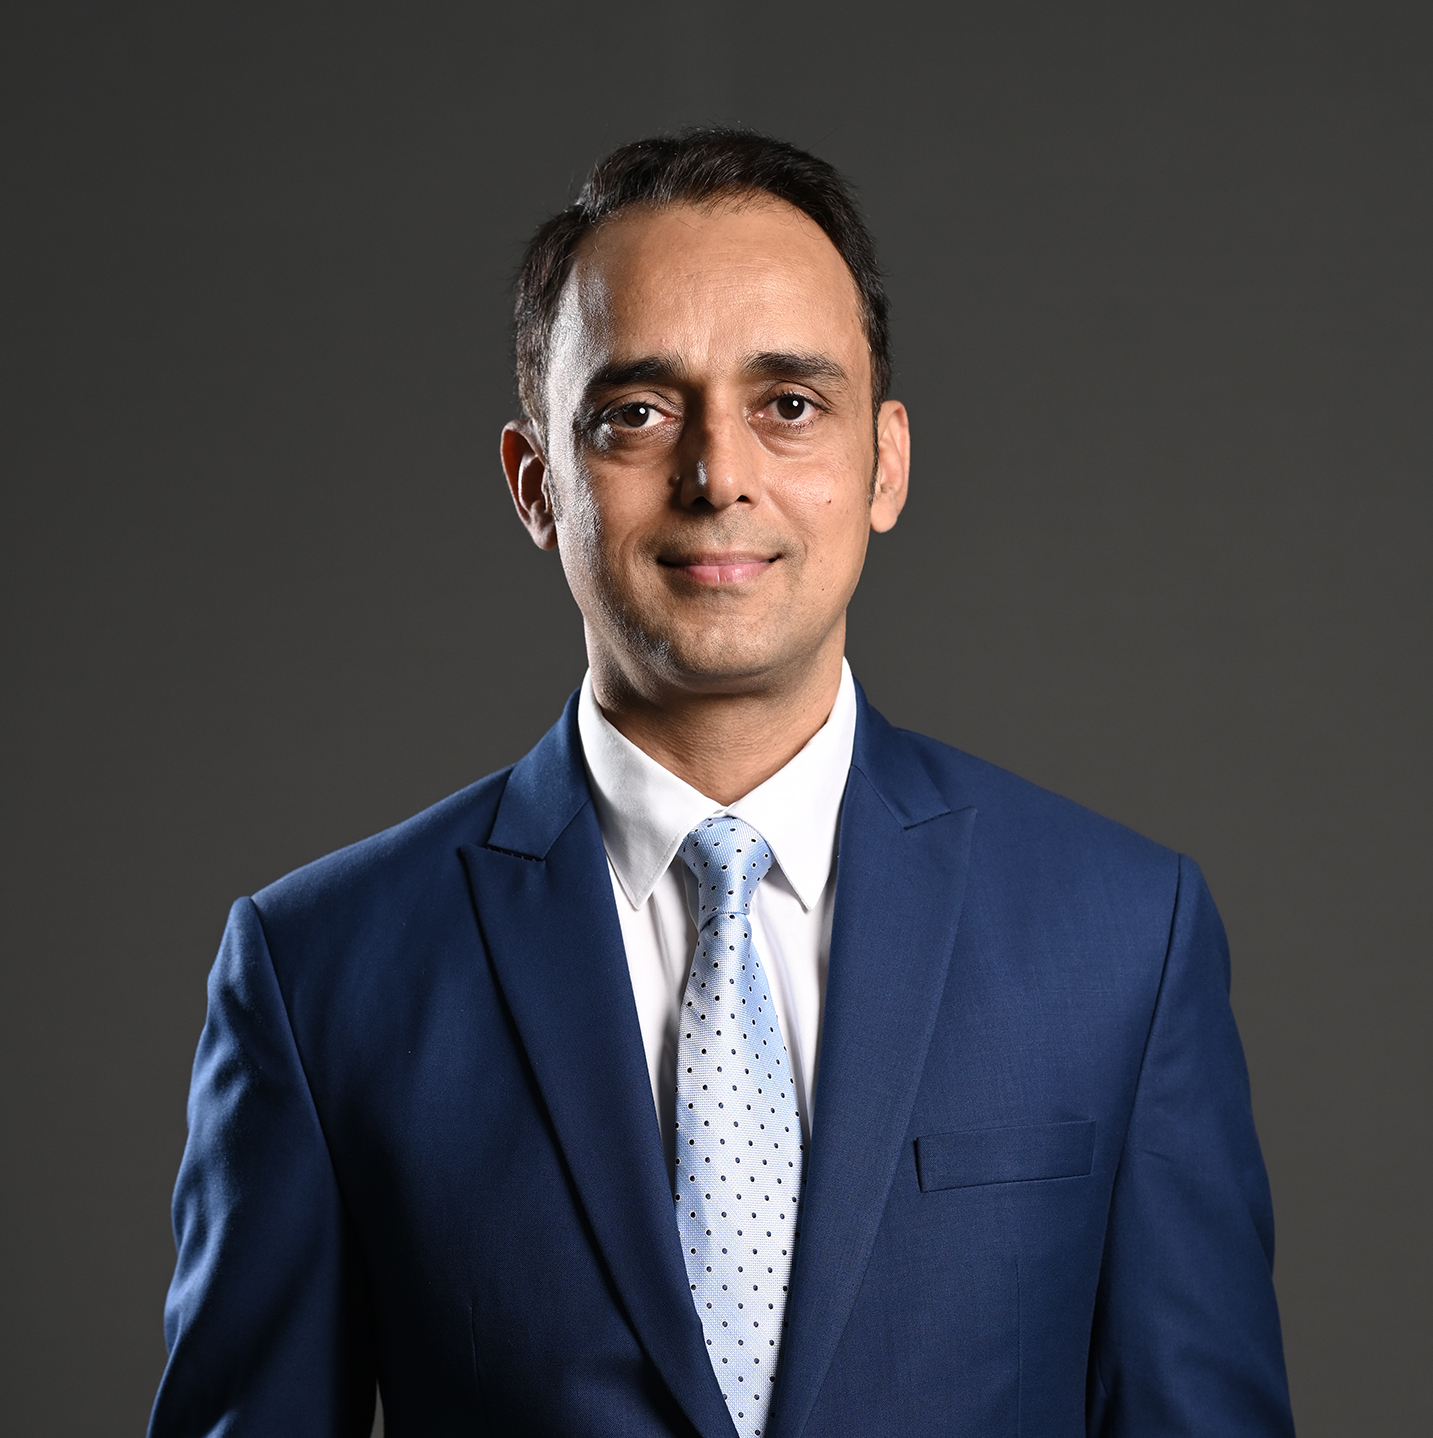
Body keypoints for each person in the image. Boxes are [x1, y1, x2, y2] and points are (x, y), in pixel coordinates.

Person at [149, 129, 1296, 1438]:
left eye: (788, 404)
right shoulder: (319, 973)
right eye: (636, 414)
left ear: (886, 463)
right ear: (536, 484)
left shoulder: (1123, 938)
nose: (717, 476)